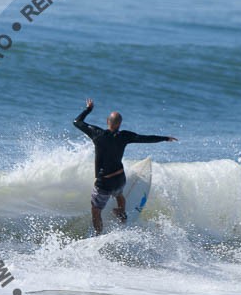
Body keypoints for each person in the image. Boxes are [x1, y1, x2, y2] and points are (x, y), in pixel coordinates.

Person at [74, 98, 177, 234]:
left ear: (107, 121)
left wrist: (88, 109)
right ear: (120, 124)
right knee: (119, 194)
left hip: (104, 182)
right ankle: (121, 213)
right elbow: (145, 138)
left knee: (96, 210)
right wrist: (164, 138)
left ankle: (98, 234)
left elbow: (77, 122)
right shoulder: (124, 136)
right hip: (119, 178)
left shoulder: (97, 134)